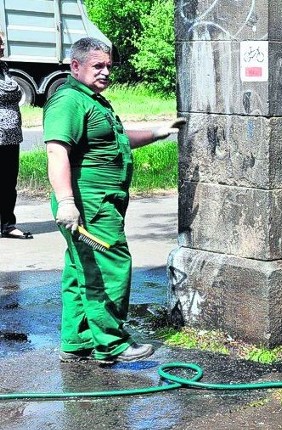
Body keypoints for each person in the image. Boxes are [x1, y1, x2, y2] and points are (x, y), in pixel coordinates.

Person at [44, 37, 185, 364]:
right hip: (88, 206)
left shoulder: (93, 100)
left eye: (109, 66)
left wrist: (157, 132)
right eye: (98, 66)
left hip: (101, 203)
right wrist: (66, 201)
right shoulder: (68, 102)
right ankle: (112, 345)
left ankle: (77, 340)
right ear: (75, 66)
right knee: (109, 267)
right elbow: (56, 151)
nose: (106, 72)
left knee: (82, 269)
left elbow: (116, 140)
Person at [0, 32, 32, 240]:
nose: (3, 47)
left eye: (2, 42)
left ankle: (7, 225)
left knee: (8, 182)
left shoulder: (4, 68)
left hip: (11, 136)